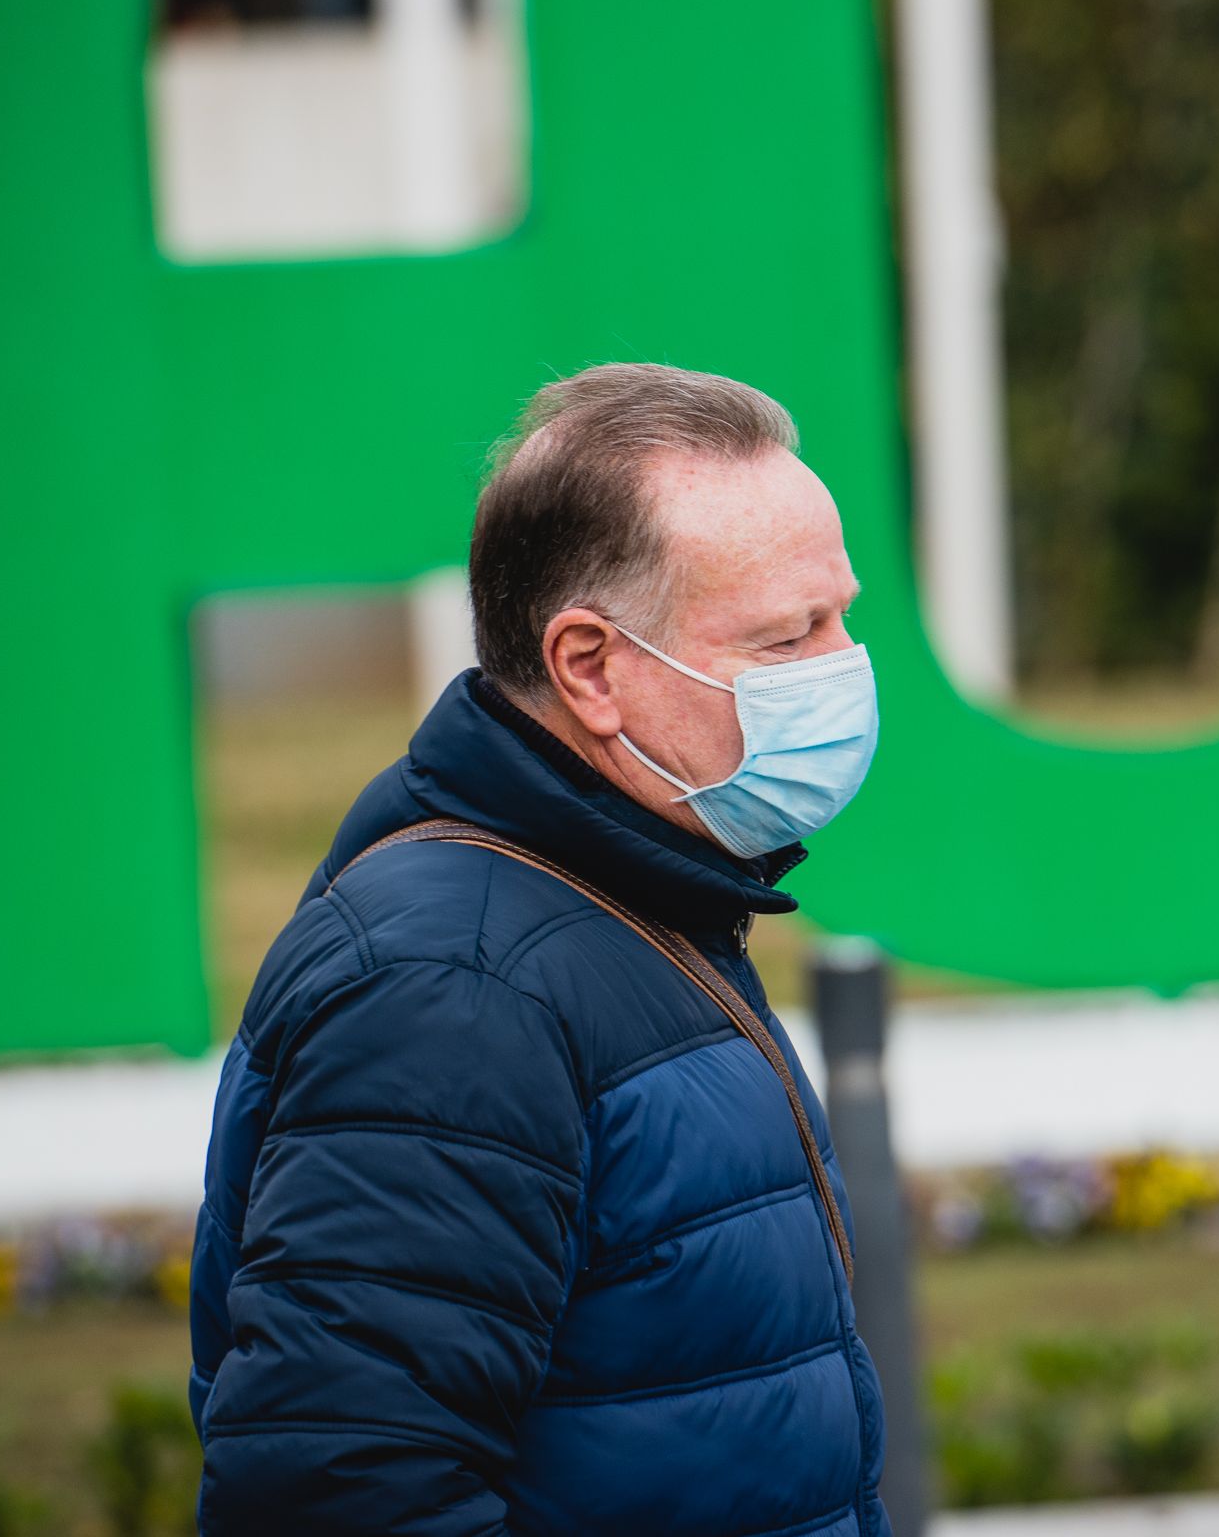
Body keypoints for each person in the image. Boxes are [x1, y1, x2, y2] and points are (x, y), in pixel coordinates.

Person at [189, 364, 889, 1535]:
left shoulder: (627, 895)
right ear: (589, 668)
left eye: (840, 615)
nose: (843, 665)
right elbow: (343, 1492)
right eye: (790, 635)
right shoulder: (454, 991)